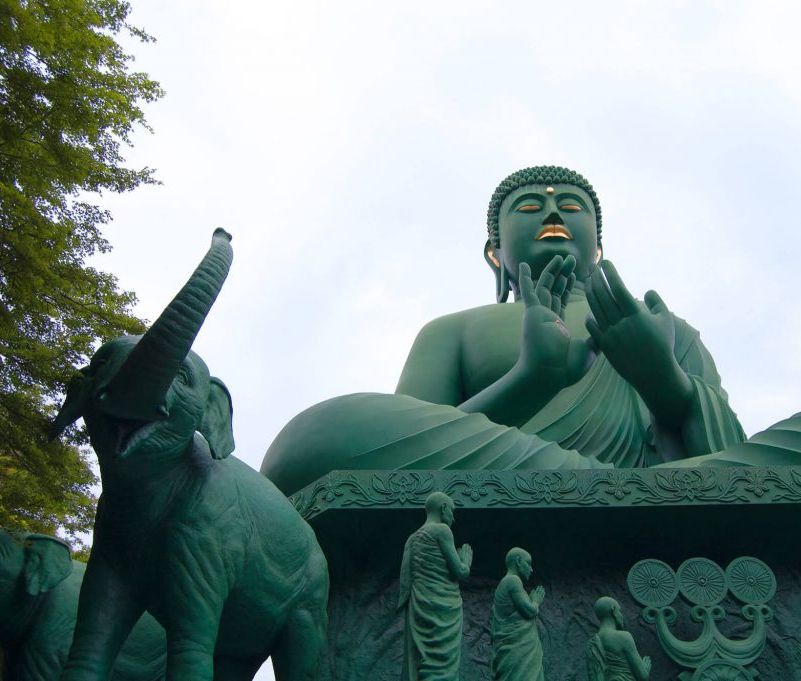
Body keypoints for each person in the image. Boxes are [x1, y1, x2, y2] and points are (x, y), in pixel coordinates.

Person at [263, 166, 746, 494]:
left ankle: (610, 489)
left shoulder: (663, 328)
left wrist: (666, 383)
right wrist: (530, 379)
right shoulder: (454, 330)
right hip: (507, 480)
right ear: (495, 253)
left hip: (648, 493)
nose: (554, 215)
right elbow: (410, 456)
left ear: (597, 249)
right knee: (312, 441)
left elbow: (731, 466)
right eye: (531, 207)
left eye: (573, 208)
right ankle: (597, 484)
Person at [398, 491, 473, 681]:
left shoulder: (412, 538)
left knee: (423, 656)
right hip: (443, 606)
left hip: (419, 605)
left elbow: (407, 581)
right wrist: (466, 561)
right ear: (444, 508)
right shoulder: (442, 530)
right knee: (442, 661)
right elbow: (460, 572)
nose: (453, 518)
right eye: (452, 512)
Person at [491, 548, 546, 681]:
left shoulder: (507, 583)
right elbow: (529, 611)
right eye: (529, 564)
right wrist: (536, 601)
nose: (531, 569)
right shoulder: (512, 581)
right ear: (519, 561)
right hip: (517, 650)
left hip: (516, 649)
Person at [587, 597, 651, 681]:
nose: (621, 616)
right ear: (614, 610)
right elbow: (643, 677)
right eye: (620, 611)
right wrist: (645, 667)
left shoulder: (591, 643)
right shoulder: (624, 637)